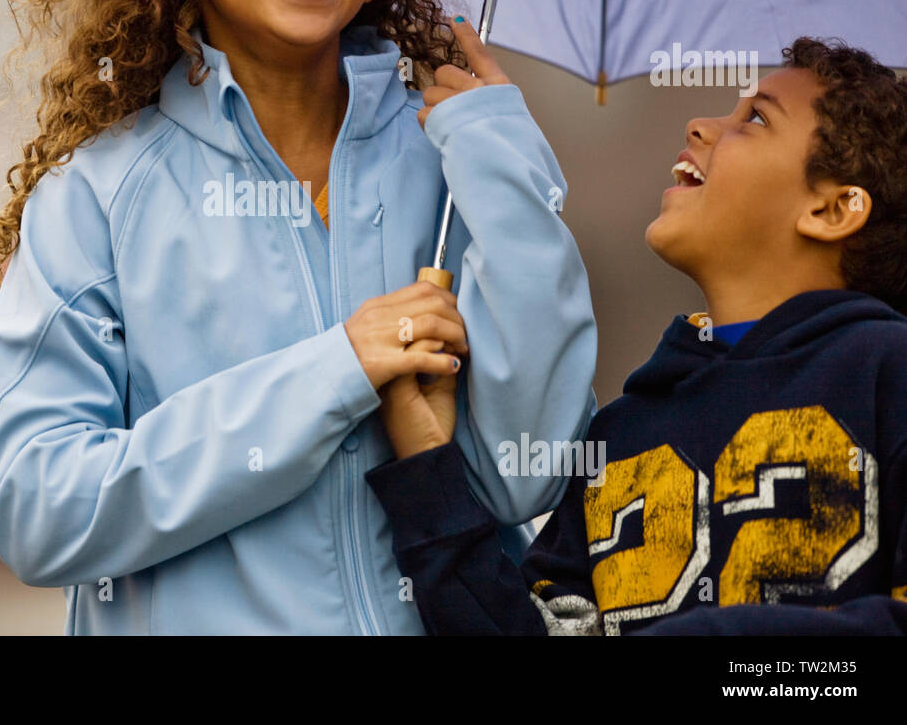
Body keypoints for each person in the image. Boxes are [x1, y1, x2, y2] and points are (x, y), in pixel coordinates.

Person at [0, 0, 596, 634]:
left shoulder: (455, 171)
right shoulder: (96, 198)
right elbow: (36, 510)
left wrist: (505, 163)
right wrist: (338, 369)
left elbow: (528, 478)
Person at [366, 37, 907, 635]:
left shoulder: (890, 374)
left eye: (755, 118)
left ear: (833, 210)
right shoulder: (621, 433)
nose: (699, 125)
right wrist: (426, 463)